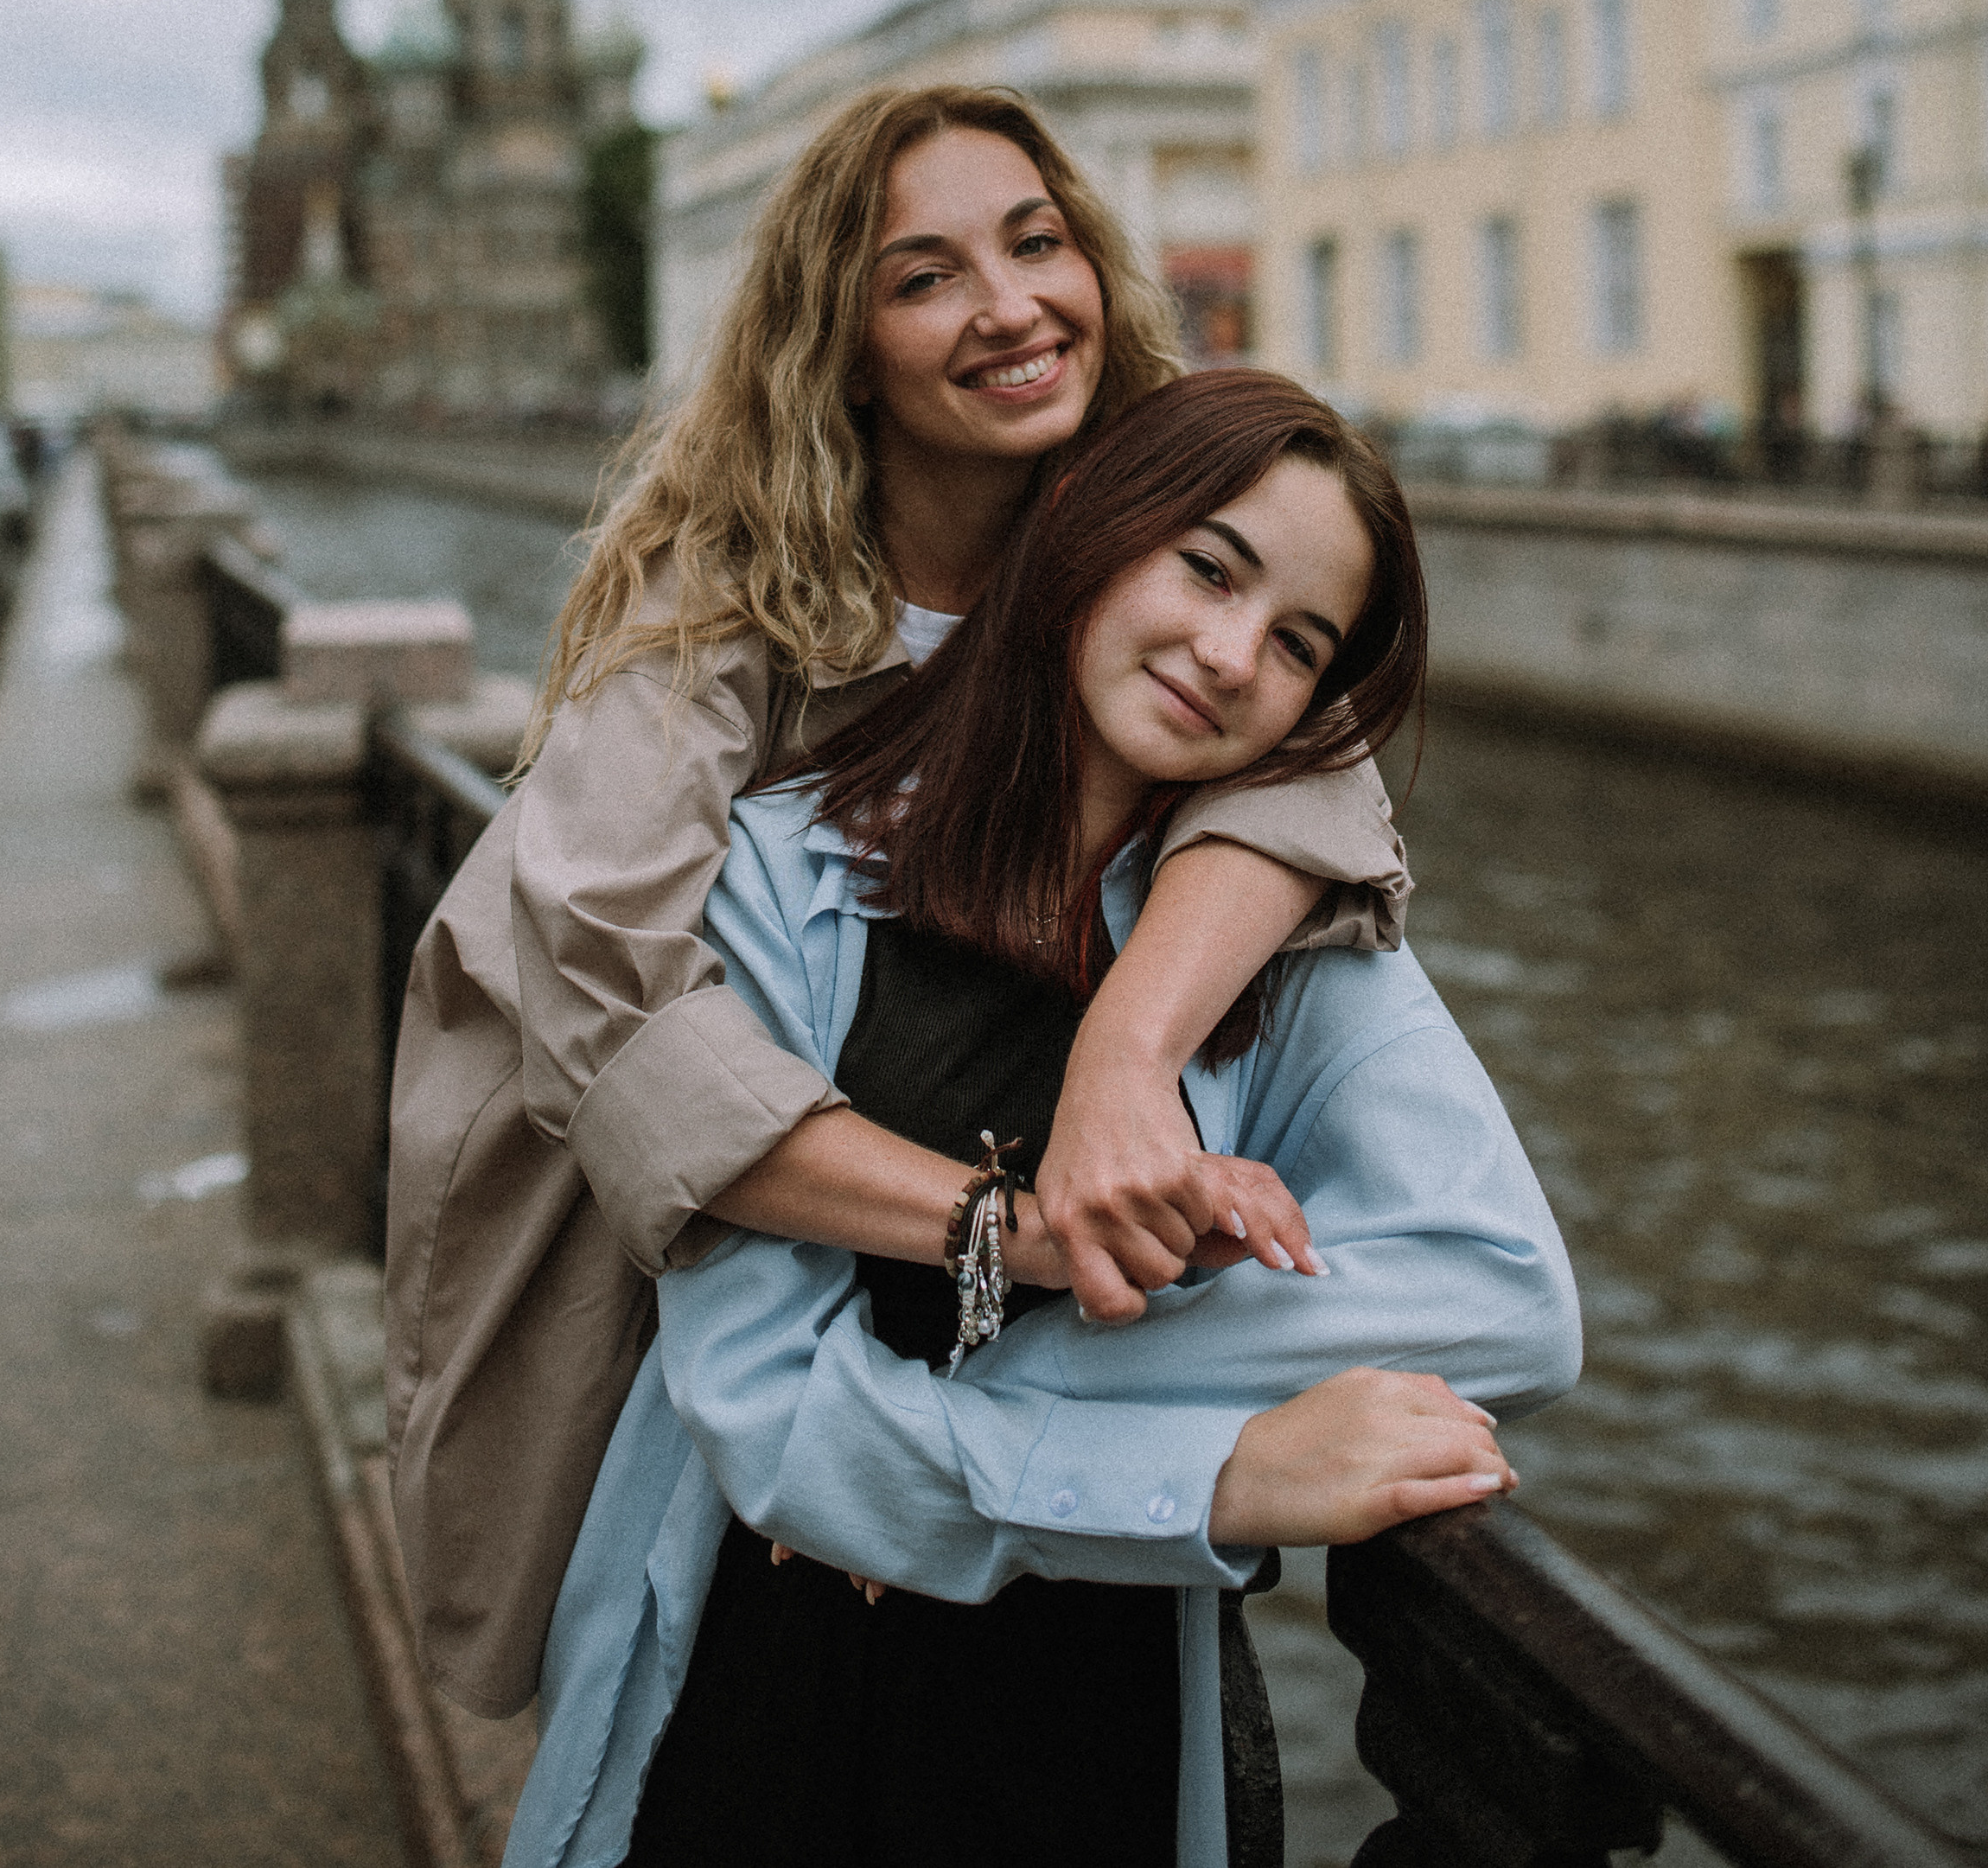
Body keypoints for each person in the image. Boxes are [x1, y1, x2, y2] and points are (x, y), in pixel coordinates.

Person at [386, 92, 1411, 1716]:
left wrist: (1125, 1061)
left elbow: (1322, 769)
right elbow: (614, 1010)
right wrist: (997, 1236)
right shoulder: (716, 590)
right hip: (715, 1291)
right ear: (845, 347)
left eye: (1037, 243)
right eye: (925, 277)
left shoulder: (1157, 528)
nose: (1009, 306)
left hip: (994, 1273)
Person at [504, 370, 1580, 1868]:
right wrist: (1220, 1473)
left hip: (1093, 1718)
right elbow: (770, 1413)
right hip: (771, 1696)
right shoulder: (782, 878)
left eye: (1296, 644)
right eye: (1208, 568)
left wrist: (966, 1417)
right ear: (1089, 527)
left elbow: (1510, 1299)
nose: (1227, 654)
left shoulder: (1288, 946)